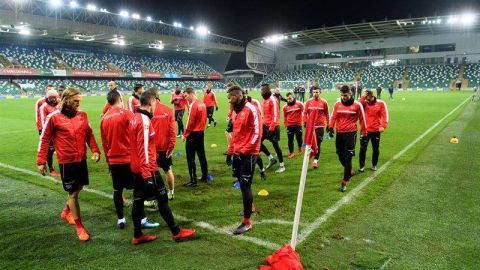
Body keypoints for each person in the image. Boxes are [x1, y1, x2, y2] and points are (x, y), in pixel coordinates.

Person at [128, 89, 196, 245]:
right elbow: (143, 149)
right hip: (148, 168)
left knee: (138, 200)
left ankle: (137, 235)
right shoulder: (144, 121)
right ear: (151, 102)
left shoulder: (134, 117)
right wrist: (147, 176)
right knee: (162, 199)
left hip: (137, 167)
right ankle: (176, 232)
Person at [37, 87, 101, 241]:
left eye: (80, 100)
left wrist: (95, 149)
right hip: (67, 162)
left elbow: (89, 134)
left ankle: (66, 211)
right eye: (76, 101)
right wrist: (41, 161)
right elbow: (44, 139)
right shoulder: (53, 117)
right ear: (66, 100)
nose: (78, 103)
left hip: (81, 160)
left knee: (78, 188)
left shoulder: (82, 115)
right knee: (73, 193)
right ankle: (80, 227)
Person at [100, 91, 160, 230]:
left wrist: (109, 162)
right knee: (138, 190)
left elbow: (104, 143)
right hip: (128, 159)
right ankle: (142, 219)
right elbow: (137, 133)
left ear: (108, 102)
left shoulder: (104, 119)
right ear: (120, 99)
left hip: (114, 161)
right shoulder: (127, 114)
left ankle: (121, 219)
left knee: (117, 191)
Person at [225, 86, 262, 235]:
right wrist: (231, 151)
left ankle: (247, 222)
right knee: (240, 181)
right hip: (238, 152)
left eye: (230, 98)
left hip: (249, 153)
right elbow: (236, 133)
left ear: (238, 96)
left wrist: (245, 150)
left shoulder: (251, 109)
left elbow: (257, 133)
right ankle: (250, 206)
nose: (229, 101)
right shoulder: (235, 111)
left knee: (246, 185)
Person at [328, 85, 367, 192]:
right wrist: (330, 127)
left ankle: (344, 182)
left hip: (351, 134)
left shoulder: (357, 105)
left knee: (348, 156)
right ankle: (349, 170)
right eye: (342, 95)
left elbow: (362, 120)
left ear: (350, 94)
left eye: (345, 95)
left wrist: (364, 134)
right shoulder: (337, 104)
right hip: (339, 133)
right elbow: (333, 117)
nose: (343, 97)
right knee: (339, 154)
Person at [151, 90, 177, 200]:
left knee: (151, 173)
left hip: (151, 148)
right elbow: (172, 131)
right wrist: (171, 146)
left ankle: (153, 197)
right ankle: (171, 192)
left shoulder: (147, 110)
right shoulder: (168, 110)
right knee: (168, 170)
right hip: (165, 147)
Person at [183, 87, 209, 187]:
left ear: (191, 94)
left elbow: (190, 122)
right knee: (201, 155)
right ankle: (205, 176)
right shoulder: (202, 103)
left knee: (190, 157)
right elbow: (205, 118)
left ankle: (193, 181)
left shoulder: (193, 105)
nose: (185, 98)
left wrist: (185, 134)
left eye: (186, 96)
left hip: (193, 134)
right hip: (200, 132)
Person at [358, 90, 389, 172]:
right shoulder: (363, 103)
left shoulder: (381, 103)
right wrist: (363, 96)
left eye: (368, 99)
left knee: (375, 148)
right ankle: (361, 166)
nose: (367, 101)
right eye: (366, 99)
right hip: (365, 130)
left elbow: (384, 115)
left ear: (372, 97)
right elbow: (358, 105)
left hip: (376, 130)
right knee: (363, 148)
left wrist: (383, 126)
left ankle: (374, 164)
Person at [260, 84, 285, 173]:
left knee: (276, 146)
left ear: (268, 90)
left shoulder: (273, 100)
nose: (261, 91)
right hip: (264, 126)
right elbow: (263, 114)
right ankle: (271, 159)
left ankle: (282, 165)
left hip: (273, 127)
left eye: (263, 89)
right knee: (258, 143)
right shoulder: (264, 100)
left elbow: (276, 115)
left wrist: (271, 127)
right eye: (261, 89)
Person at [304, 86, 329, 169]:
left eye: (317, 92)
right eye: (314, 92)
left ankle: (315, 160)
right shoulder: (308, 102)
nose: (315, 94)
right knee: (309, 144)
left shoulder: (324, 102)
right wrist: (305, 121)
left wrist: (328, 125)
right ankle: (310, 155)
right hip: (310, 127)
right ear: (312, 93)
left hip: (320, 126)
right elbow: (304, 113)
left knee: (318, 144)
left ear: (320, 92)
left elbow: (327, 114)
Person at [39, 89, 61, 177]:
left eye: (54, 97)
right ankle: (51, 170)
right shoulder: (44, 107)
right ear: (47, 97)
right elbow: (43, 122)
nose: (53, 99)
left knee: (60, 150)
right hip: (50, 134)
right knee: (50, 151)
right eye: (50, 98)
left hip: (59, 134)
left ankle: (63, 166)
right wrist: (49, 134)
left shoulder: (59, 104)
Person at [283, 92, 304, 159]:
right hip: (289, 125)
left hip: (298, 124)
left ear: (293, 97)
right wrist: (285, 124)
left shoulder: (299, 104)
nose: (289, 100)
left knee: (299, 138)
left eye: (290, 98)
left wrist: (305, 120)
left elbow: (305, 112)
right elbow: (285, 116)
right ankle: (291, 153)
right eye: (287, 99)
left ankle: (300, 147)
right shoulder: (285, 107)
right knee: (290, 139)